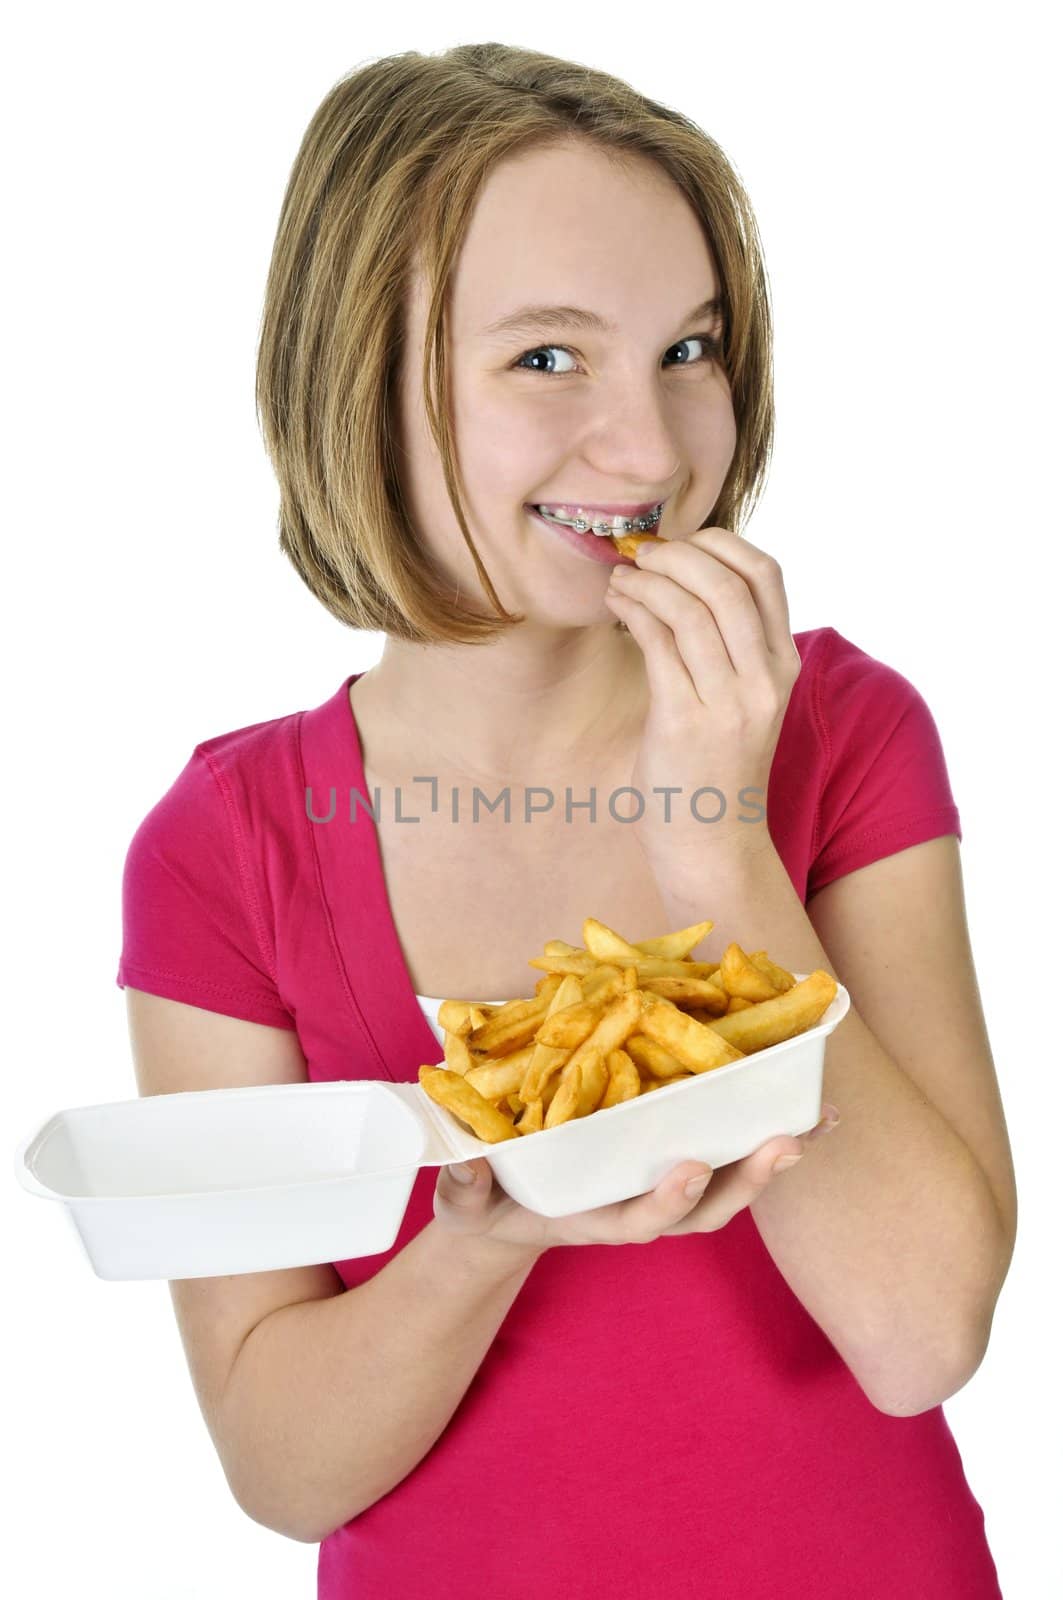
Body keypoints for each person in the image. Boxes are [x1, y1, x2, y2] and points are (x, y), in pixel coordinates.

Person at [116, 42, 1016, 1598]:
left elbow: (921, 1337)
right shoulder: (225, 849)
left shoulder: (847, 735)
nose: (655, 451)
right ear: (357, 381)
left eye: (690, 349)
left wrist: (717, 845)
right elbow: (282, 1468)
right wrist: (486, 1229)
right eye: (549, 359)